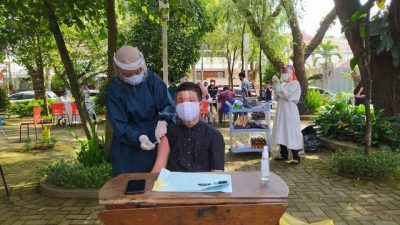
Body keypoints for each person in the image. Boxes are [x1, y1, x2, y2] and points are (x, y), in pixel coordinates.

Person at [107, 45, 175, 176]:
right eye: (128, 74)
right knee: (127, 185)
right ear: (119, 71)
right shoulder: (115, 88)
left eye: (137, 72)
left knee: (155, 183)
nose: (134, 76)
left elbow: (168, 105)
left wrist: (163, 120)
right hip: (127, 147)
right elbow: (119, 124)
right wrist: (138, 137)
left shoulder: (152, 79)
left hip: (155, 137)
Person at [151, 82, 225, 173]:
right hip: (174, 185)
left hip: (203, 185)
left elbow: (217, 173)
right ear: (176, 105)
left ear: (200, 104)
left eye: (191, 100)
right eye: (181, 101)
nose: (186, 105)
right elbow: (158, 170)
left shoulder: (214, 135)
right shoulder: (168, 133)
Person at [271, 65, 303, 165]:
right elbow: (276, 97)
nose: (284, 74)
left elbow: (286, 95)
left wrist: (278, 84)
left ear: (291, 72)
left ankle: (296, 156)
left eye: (286, 72)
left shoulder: (295, 83)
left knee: (291, 131)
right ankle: (283, 153)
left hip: (290, 111)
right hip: (281, 110)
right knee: (281, 130)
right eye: (283, 72)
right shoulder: (284, 84)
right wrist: (276, 85)